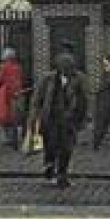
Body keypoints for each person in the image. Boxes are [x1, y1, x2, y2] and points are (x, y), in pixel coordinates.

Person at [31, 49, 88, 187]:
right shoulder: (47, 79)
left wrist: (83, 118)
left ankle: (62, 175)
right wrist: (34, 117)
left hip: (68, 120)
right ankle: (50, 167)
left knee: (66, 149)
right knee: (51, 147)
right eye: (65, 67)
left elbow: (83, 100)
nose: (67, 70)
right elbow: (37, 99)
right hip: (50, 119)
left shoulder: (78, 79)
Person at [0, 47, 25, 148]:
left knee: (5, 116)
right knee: (15, 116)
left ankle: (9, 137)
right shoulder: (17, 67)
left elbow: (0, 79)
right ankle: (15, 136)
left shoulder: (4, 67)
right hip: (17, 93)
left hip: (6, 94)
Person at [92, 52, 110, 150]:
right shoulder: (106, 74)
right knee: (101, 121)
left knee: (104, 121)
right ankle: (97, 142)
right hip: (103, 100)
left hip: (105, 100)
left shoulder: (109, 74)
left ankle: (98, 140)